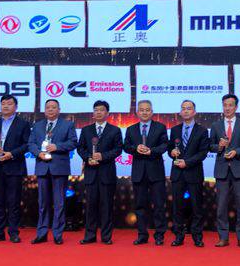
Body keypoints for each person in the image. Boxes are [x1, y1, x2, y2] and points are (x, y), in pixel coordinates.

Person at [29, 98, 77, 245]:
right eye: (48, 107)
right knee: (43, 203)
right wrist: (39, 153)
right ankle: (42, 233)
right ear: (44, 110)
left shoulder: (68, 125)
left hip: (59, 168)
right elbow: (31, 143)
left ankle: (57, 234)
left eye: (53, 107)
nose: (50, 109)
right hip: (42, 167)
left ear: (59, 110)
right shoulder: (37, 125)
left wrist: (57, 147)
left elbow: (73, 142)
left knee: (59, 203)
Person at [0, 94, 31, 244]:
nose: (5, 106)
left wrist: (12, 154)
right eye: (3, 103)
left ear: (16, 107)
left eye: (9, 103)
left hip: (14, 167)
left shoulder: (23, 124)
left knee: (13, 202)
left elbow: (27, 144)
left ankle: (13, 232)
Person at [209, 93, 240, 247]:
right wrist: (219, 146)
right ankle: (223, 237)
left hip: (239, 168)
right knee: (221, 206)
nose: (227, 108)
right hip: (221, 170)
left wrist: (236, 151)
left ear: (236, 107)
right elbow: (210, 146)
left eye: (230, 105)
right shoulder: (216, 125)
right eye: (225, 105)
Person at [124, 100, 169, 246]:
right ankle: (142, 235)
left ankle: (159, 235)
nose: (144, 112)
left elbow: (165, 145)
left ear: (152, 112)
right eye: (142, 110)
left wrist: (152, 151)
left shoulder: (160, 127)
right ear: (137, 112)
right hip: (139, 172)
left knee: (159, 205)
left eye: (147, 110)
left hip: (156, 172)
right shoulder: (131, 129)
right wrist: (135, 149)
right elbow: (126, 146)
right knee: (140, 206)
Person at [77, 100, 122, 244]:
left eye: (101, 110)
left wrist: (102, 156)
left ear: (107, 113)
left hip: (107, 173)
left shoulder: (115, 130)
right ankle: (89, 236)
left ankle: (106, 237)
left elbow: (118, 150)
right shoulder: (86, 130)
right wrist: (88, 158)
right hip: (91, 173)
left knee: (106, 206)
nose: (98, 112)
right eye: (96, 110)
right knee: (90, 206)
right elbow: (80, 148)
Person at [168, 100, 211, 247]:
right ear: (180, 112)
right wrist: (171, 152)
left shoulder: (202, 130)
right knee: (177, 207)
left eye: (189, 108)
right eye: (183, 108)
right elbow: (170, 149)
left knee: (197, 207)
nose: (186, 111)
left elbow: (203, 153)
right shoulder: (174, 130)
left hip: (194, 173)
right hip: (177, 174)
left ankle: (197, 236)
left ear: (194, 112)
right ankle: (178, 236)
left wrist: (187, 162)